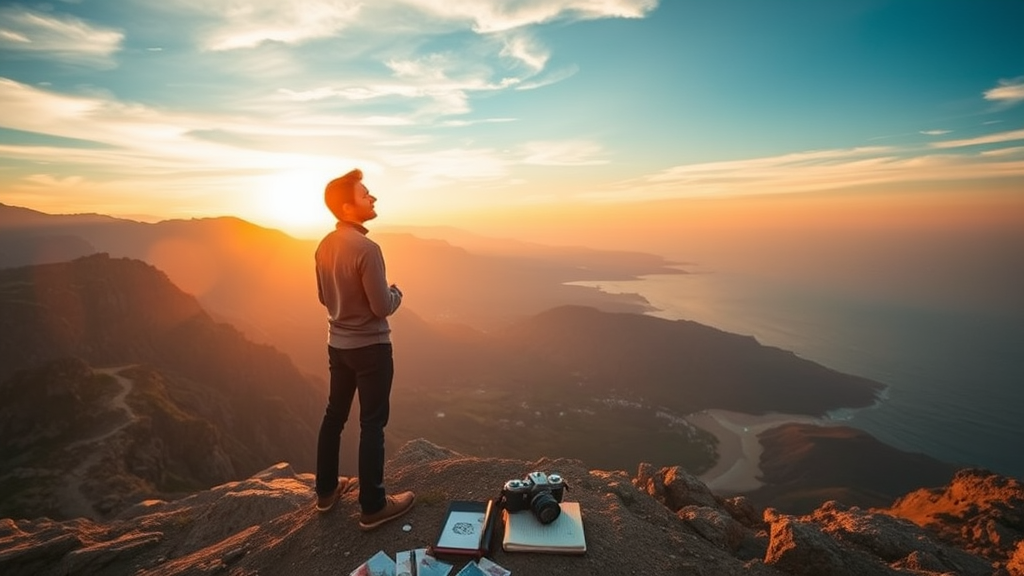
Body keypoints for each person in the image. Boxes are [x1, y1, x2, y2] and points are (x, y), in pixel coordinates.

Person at [313, 168, 415, 531]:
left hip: (337, 345)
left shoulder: (324, 245)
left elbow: (324, 297)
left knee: (334, 416)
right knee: (372, 423)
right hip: (371, 349)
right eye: (365, 195)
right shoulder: (368, 249)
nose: (373, 199)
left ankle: (325, 492)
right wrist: (397, 292)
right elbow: (381, 307)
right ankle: (372, 505)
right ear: (347, 206)